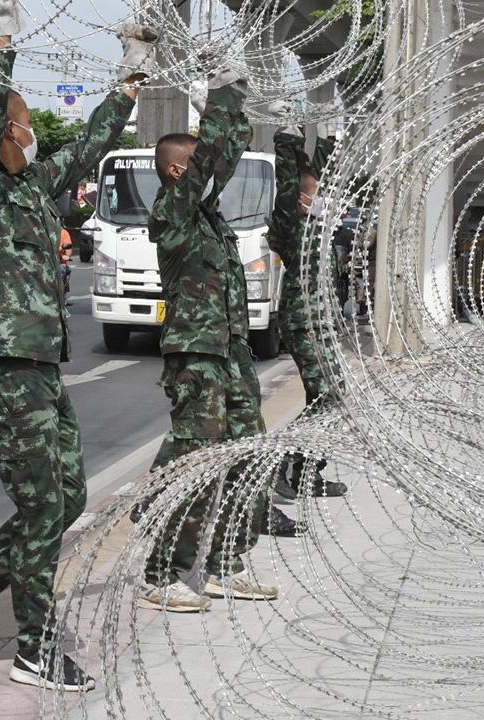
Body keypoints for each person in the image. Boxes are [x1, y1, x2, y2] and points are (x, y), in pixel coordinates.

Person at [0, 0, 155, 692]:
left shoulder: (32, 192)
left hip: (43, 366)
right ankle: (35, 646)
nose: (30, 133)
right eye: (21, 124)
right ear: (4, 132)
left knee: (65, 496)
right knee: (44, 506)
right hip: (5, 366)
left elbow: (88, 144)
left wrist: (130, 82)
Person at [134, 67, 282, 614]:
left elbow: (226, 150)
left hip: (231, 354)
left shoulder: (211, 221)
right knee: (195, 465)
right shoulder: (172, 213)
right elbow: (214, 155)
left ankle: (225, 562)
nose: (217, 172)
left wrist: (237, 112)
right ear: (180, 170)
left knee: (249, 455)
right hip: (196, 358)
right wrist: (224, 93)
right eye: (201, 165)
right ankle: (160, 570)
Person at [264, 129, 349, 515]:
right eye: (316, 195)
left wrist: (330, 138)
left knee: (332, 397)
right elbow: (289, 182)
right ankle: (282, 461)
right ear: (299, 199)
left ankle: (307, 472)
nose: (323, 200)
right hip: (306, 323)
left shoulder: (315, 226)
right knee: (328, 399)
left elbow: (317, 175)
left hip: (322, 324)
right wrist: (286, 141)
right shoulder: (290, 224)